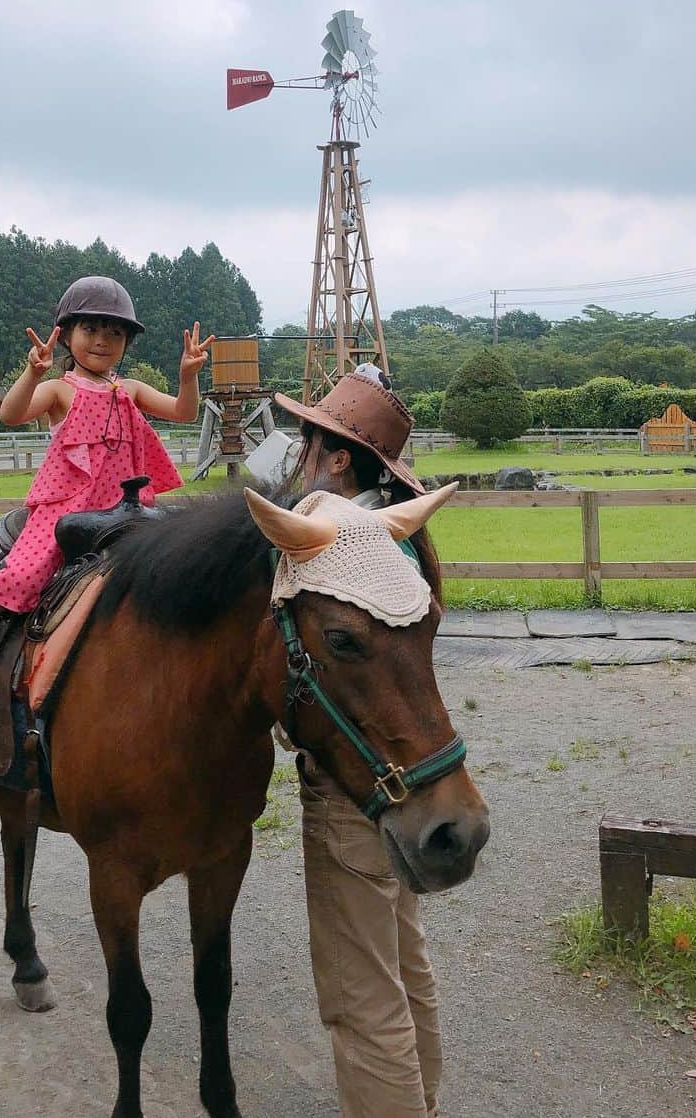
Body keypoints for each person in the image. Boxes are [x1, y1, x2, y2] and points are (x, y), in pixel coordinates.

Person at [274, 365, 445, 1118]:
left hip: (361, 787)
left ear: (339, 457)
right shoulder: (396, 535)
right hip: (412, 780)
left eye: (312, 439)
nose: (301, 451)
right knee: (405, 968)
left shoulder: (339, 541)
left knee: (362, 995)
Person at [0, 275, 213, 700]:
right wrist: (31, 372)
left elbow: (184, 413)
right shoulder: (59, 390)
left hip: (126, 508)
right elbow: (11, 414)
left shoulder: (130, 389)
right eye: (90, 330)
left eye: (114, 333)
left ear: (127, 343)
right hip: (67, 510)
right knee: (24, 574)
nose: (101, 341)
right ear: (68, 336)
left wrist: (188, 376)